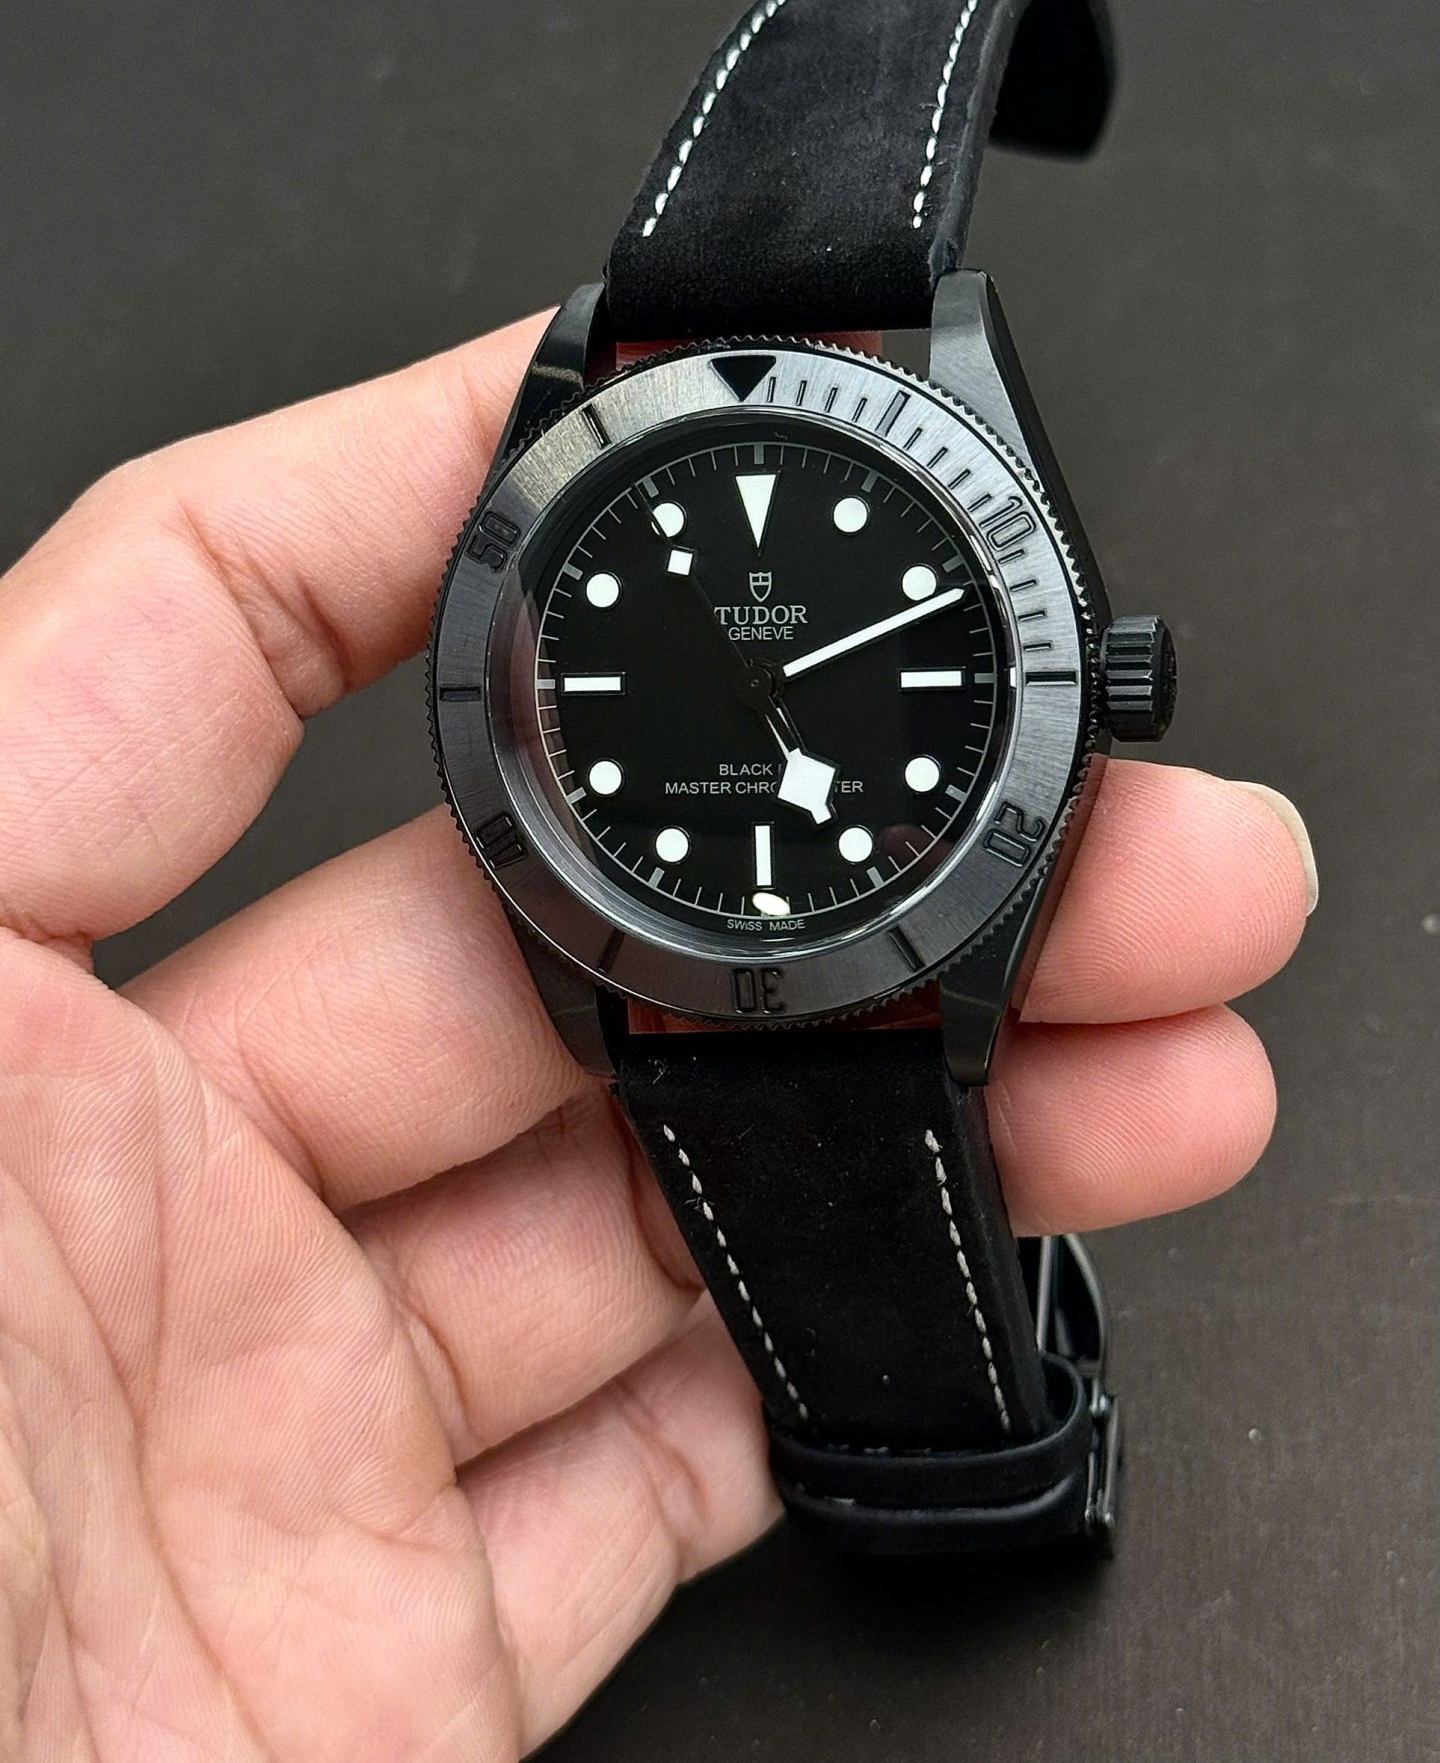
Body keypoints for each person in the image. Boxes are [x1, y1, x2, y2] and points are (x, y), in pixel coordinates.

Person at [0, 312, 1315, 1757]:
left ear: (1099, 677)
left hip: (758, 940)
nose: (761, 686)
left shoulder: (659, 426)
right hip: (663, 953)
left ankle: (946, 1456)